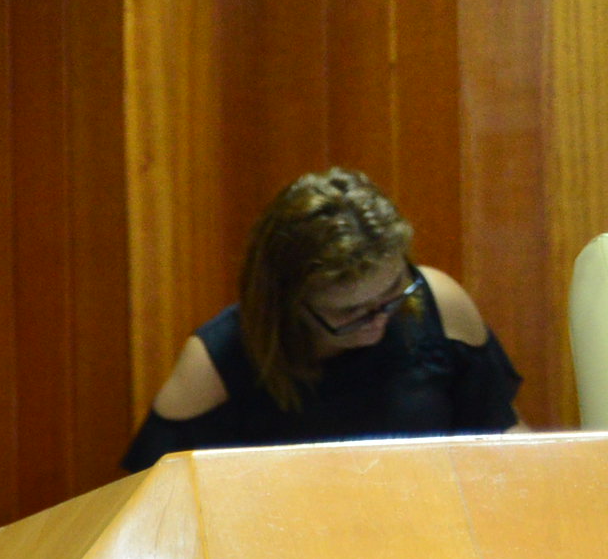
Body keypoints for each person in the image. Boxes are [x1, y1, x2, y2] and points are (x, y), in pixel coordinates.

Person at [122, 166, 523, 471]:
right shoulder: (215, 363)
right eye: (349, 313)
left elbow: (502, 438)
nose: (377, 321)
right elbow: (150, 504)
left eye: (390, 294)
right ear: (288, 301)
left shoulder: (439, 302)